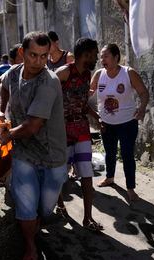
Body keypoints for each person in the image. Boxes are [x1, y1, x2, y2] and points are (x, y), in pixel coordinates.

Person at [0, 32, 67, 260]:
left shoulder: (49, 81)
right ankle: (30, 246)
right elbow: (2, 85)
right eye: (33, 55)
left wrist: (7, 135)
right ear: (22, 53)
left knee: (44, 208)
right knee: (26, 206)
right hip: (24, 154)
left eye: (44, 56)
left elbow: (32, 126)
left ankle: (35, 224)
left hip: (52, 156)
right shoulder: (14, 72)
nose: (39, 61)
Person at [54, 38, 103, 231]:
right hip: (62, 131)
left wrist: (96, 116)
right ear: (86, 54)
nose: (97, 57)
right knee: (60, 173)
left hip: (82, 130)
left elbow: (82, 102)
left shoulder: (87, 74)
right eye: (95, 54)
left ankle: (88, 218)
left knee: (86, 173)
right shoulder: (63, 72)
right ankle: (59, 204)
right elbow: (48, 97)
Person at [90, 43, 149, 202]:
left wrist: (142, 108)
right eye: (101, 56)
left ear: (116, 57)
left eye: (106, 56)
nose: (102, 59)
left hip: (127, 123)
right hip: (106, 123)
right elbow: (88, 92)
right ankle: (110, 178)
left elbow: (143, 92)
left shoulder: (128, 73)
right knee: (109, 153)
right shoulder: (98, 74)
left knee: (127, 154)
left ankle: (130, 188)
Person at [0, 43, 23, 123]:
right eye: (21, 58)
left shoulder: (39, 79)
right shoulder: (1, 81)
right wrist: (2, 123)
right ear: (12, 61)